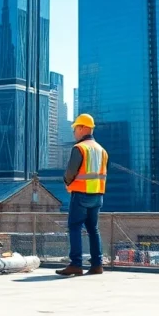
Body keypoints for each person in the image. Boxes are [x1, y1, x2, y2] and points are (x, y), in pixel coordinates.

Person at [56, 113, 108, 277]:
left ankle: (76, 264)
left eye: (75, 128)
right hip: (97, 195)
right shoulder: (102, 150)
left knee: (75, 227)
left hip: (81, 194)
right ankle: (97, 264)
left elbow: (70, 171)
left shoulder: (80, 148)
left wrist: (67, 182)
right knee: (93, 229)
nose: (74, 132)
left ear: (83, 128)